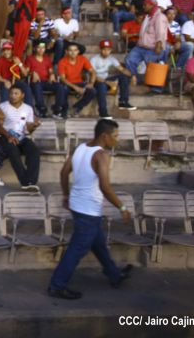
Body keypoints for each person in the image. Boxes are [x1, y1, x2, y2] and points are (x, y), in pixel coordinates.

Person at [47, 119, 133, 300]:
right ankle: (57, 286)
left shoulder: (80, 148)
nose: (117, 140)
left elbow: (63, 172)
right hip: (88, 210)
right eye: (115, 136)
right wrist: (122, 207)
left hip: (77, 206)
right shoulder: (101, 155)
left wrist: (65, 195)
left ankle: (114, 275)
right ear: (105, 136)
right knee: (77, 249)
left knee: (98, 244)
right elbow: (105, 187)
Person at [0, 86, 41, 191]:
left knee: (34, 151)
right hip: (6, 136)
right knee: (13, 151)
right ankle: (25, 182)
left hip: (22, 137)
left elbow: (28, 130)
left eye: (16, 93)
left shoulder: (28, 108)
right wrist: (9, 136)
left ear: (22, 95)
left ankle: (31, 182)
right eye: (11, 93)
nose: (13, 96)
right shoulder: (3, 107)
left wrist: (34, 125)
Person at [125, 0, 168, 89]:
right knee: (129, 60)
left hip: (152, 47)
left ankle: (155, 87)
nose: (143, 6)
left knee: (151, 67)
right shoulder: (148, 16)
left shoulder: (159, 17)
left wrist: (158, 45)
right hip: (141, 46)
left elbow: (160, 32)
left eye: (145, 5)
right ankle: (135, 79)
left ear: (152, 5)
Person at [90, 40, 136, 119]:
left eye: (108, 50)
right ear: (100, 49)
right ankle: (103, 112)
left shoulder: (112, 59)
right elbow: (93, 76)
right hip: (96, 81)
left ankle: (123, 102)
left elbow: (122, 70)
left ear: (111, 50)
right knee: (101, 86)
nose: (106, 52)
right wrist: (107, 82)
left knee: (124, 76)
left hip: (106, 79)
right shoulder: (94, 59)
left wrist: (132, 75)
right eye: (104, 49)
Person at [54, 43, 95, 119]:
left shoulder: (82, 59)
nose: (73, 52)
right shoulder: (62, 62)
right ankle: (64, 110)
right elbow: (63, 79)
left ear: (78, 51)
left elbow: (92, 72)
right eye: (70, 50)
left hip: (79, 82)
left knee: (92, 91)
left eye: (75, 50)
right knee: (64, 89)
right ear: (66, 51)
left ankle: (76, 107)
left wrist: (91, 83)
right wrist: (75, 87)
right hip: (67, 83)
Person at [26, 41, 57, 118]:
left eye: (43, 48)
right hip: (35, 82)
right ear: (35, 48)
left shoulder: (47, 59)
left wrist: (52, 74)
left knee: (60, 87)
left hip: (46, 82)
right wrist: (32, 73)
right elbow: (26, 73)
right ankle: (41, 109)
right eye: (39, 47)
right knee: (37, 86)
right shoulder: (30, 59)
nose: (41, 50)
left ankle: (58, 109)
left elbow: (50, 70)